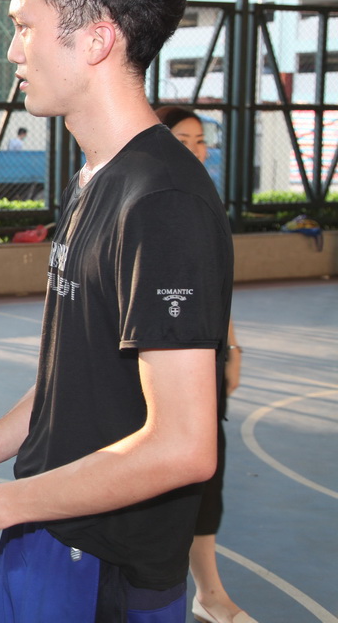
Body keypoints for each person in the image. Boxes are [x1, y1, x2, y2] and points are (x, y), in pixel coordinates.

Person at [0, 0, 233, 623]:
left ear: (96, 39)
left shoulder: (162, 202)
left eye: (25, 27)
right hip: (49, 534)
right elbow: (78, 379)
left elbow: (184, 446)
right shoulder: (97, 176)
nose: (13, 51)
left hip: (104, 574)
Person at [154, 105, 253, 623]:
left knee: (206, 474)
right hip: (157, 356)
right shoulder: (153, 197)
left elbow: (218, 286)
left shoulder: (204, 198)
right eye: (183, 139)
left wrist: (231, 349)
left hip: (204, 354)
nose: (196, 149)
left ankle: (209, 593)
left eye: (200, 140)